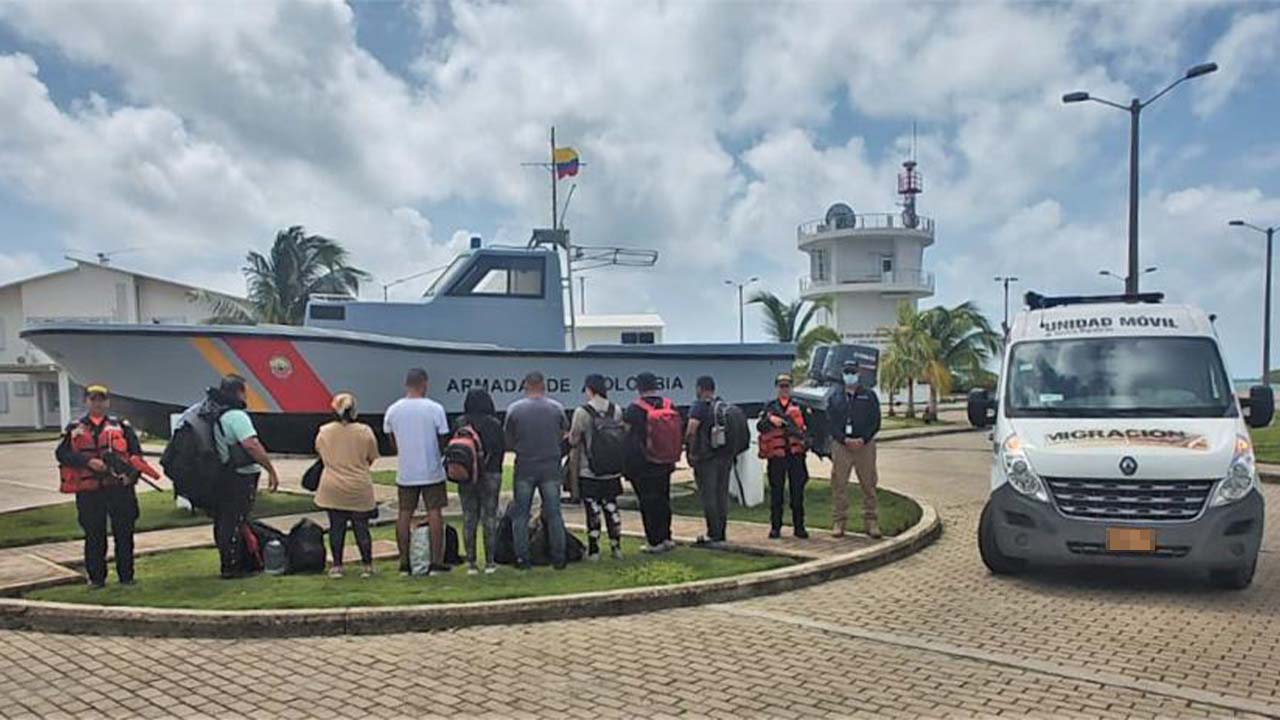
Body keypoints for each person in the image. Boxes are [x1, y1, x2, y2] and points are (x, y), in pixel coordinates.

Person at [55, 384, 147, 588]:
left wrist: (131, 477)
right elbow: (62, 454)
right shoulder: (75, 428)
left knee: (124, 534)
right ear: (86, 401)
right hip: (90, 492)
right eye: (93, 399)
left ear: (107, 402)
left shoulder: (122, 426)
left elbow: (137, 456)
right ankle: (96, 578)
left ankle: (127, 577)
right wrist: (87, 462)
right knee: (94, 535)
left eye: (101, 399)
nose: (97, 403)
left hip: (119, 489)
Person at [384, 368, 452, 576]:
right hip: (431, 469)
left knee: (404, 514)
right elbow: (443, 438)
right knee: (435, 513)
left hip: (406, 470)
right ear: (424, 383)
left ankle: (404, 562)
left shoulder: (393, 410)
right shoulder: (435, 408)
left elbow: (391, 440)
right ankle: (436, 562)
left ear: (407, 384)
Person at [212, 374, 280, 579]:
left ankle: (234, 562)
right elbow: (251, 444)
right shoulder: (236, 416)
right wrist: (270, 469)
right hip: (241, 476)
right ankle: (233, 566)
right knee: (236, 520)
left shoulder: (215, 414)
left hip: (223, 474)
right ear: (239, 392)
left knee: (225, 520)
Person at [504, 371, 569, 570]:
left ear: (525, 386)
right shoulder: (556, 408)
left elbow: (508, 440)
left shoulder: (514, 409)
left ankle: (523, 558)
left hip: (525, 466)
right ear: (544, 385)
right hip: (550, 466)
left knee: (521, 514)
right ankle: (559, 558)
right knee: (554, 513)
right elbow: (564, 433)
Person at [314, 392, 379, 578]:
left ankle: (337, 566)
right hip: (358, 486)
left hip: (332, 486)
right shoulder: (365, 431)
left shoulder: (324, 431)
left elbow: (320, 452)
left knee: (336, 527)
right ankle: (367, 566)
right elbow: (371, 457)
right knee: (361, 527)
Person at [568, 374, 625, 561]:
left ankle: (594, 550)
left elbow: (574, 439)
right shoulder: (616, 410)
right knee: (611, 508)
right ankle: (616, 547)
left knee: (592, 510)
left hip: (589, 470)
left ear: (589, 390)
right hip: (612, 469)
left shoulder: (582, 412)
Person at [623, 371, 680, 553]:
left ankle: (654, 541)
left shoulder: (634, 409)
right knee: (663, 499)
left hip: (645, 464)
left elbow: (627, 437)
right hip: (665, 461)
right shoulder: (669, 405)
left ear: (639, 387)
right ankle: (666, 537)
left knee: (648, 503)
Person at [827, 361, 883, 538]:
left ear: (859, 374)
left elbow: (875, 421)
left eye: (853, 372)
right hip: (842, 446)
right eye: (847, 372)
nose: (850, 375)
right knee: (839, 484)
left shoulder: (869, 395)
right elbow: (830, 422)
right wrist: (844, 439)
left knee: (869, 484)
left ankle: (871, 521)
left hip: (864, 446)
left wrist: (863, 439)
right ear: (842, 374)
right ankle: (839, 522)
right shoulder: (835, 396)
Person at [455, 388, 504, 574]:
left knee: (469, 517)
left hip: (466, 475)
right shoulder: (494, 423)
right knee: (489, 517)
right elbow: (501, 448)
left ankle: (471, 563)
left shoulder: (460, 422)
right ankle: (490, 562)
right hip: (490, 474)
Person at [758, 373, 809, 539]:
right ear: (777, 388)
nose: (784, 389)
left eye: (787, 386)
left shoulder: (800, 406)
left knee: (797, 494)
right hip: (777, 458)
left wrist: (805, 439)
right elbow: (760, 426)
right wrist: (771, 420)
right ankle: (775, 527)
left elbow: (810, 429)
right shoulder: (769, 407)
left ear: (791, 388)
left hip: (796, 457)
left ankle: (799, 527)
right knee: (776, 494)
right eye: (781, 386)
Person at [685, 375, 733, 546]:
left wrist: (690, 451)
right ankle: (721, 533)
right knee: (721, 495)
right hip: (724, 458)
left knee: (708, 496)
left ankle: (712, 534)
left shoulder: (699, 406)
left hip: (706, 459)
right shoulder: (722, 405)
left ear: (699, 388)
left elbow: (691, 430)